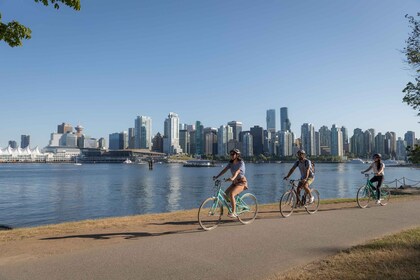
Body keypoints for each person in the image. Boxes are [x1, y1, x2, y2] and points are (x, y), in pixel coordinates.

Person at [213, 149, 248, 218]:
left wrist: (232, 178)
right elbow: (224, 170)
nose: (231, 156)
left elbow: (237, 172)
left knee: (232, 194)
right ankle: (232, 205)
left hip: (241, 182)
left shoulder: (241, 163)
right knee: (225, 194)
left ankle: (234, 212)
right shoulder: (230, 163)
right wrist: (217, 176)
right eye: (230, 154)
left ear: (237, 155)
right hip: (235, 182)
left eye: (233, 154)